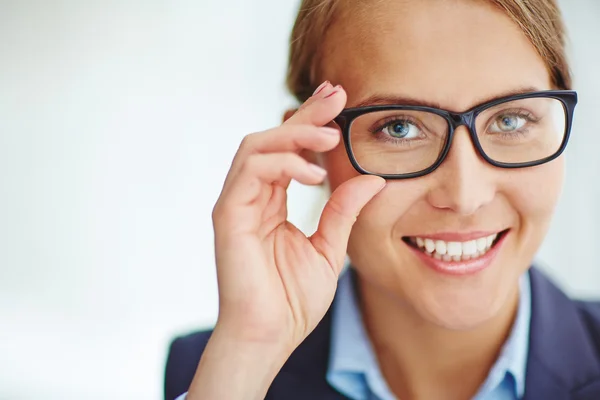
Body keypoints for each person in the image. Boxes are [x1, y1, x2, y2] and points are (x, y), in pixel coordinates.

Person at [164, 0, 600, 399]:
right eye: (399, 128)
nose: (466, 196)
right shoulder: (216, 375)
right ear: (308, 145)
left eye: (510, 119)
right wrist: (247, 358)